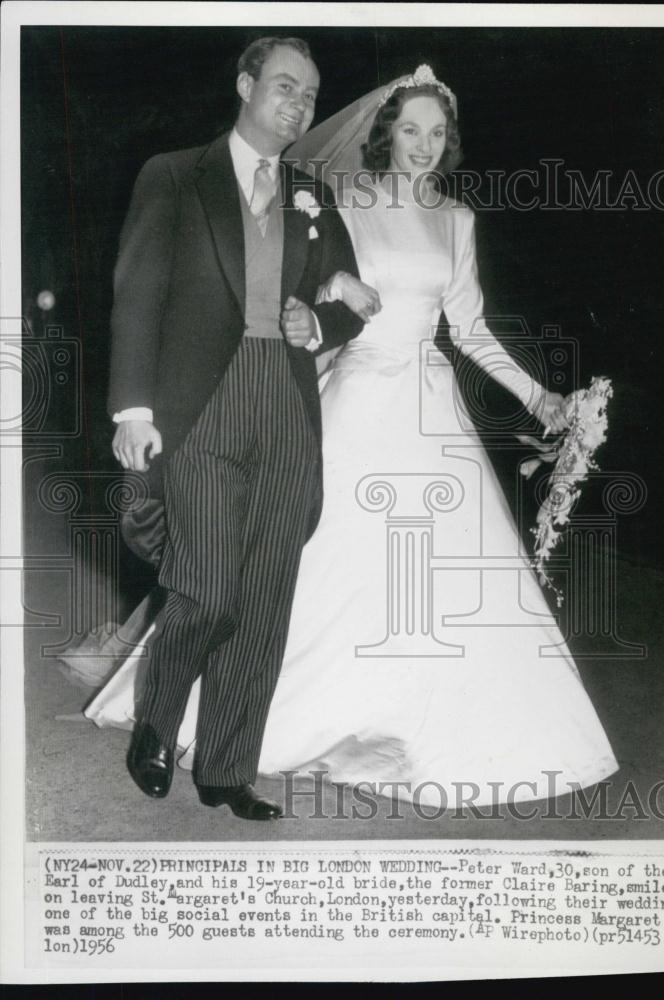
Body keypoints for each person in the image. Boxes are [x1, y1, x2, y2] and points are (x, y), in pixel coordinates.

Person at [85, 65, 618, 810]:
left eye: (438, 133)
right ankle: (191, 718)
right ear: (386, 134)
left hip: (428, 408)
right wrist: (333, 294)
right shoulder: (343, 200)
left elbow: (470, 329)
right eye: (411, 130)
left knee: (421, 576)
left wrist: (540, 397)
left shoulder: (457, 220)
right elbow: (303, 277)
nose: (424, 145)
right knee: (268, 570)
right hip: (355, 395)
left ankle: (398, 730)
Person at [105, 36, 364, 820]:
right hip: (201, 404)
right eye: (284, 86)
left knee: (264, 597)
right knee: (209, 590)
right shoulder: (174, 174)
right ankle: (157, 721)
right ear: (246, 85)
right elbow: (137, 291)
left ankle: (226, 766)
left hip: (285, 402)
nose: (298, 104)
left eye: (309, 95)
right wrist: (133, 411)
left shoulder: (312, 195)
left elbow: (352, 303)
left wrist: (317, 323)